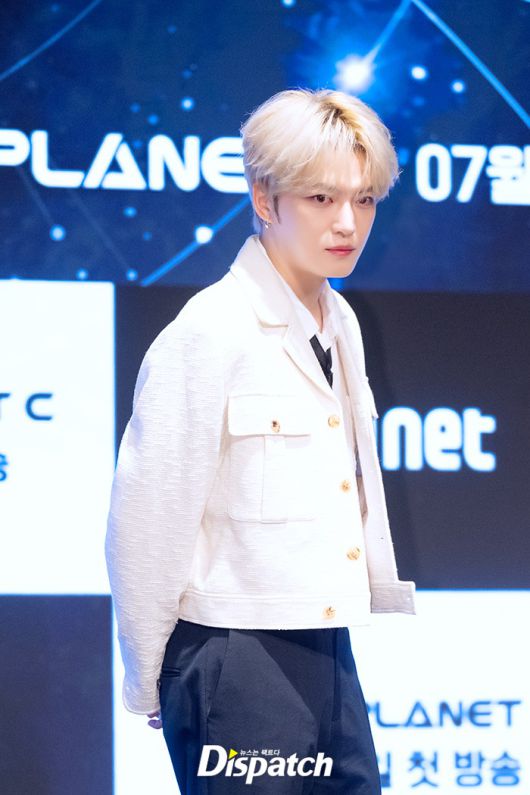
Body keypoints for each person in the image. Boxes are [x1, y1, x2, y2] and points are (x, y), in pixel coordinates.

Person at [105, 87, 416, 794]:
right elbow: (147, 517)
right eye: (321, 198)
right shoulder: (209, 330)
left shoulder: (341, 321)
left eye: (365, 199)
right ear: (265, 199)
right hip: (233, 652)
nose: (348, 222)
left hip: (326, 641)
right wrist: (150, 673)